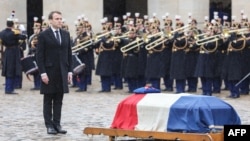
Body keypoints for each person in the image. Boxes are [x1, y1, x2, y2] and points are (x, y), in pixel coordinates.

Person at [36, 11, 73, 134]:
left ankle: (57, 124)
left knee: (59, 99)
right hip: (49, 72)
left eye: (61, 18)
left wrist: (70, 71)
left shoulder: (66, 34)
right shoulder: (43, 35)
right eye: (57, 19)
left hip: (62, 71)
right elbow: (39, 56)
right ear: (50, 21)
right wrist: (42, 73)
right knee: (48, 100)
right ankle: (49, 125)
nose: (59, 21)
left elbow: (69, 54)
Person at [0, 18, 26, 94]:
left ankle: (8, 87)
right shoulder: (14, 32)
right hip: (14, 52)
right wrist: (23, 31)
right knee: (12, 70)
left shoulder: (2, 33)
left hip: (7, 51)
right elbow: (24, 37)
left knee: (8, 69)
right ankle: (9, 89)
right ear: (12, 24)